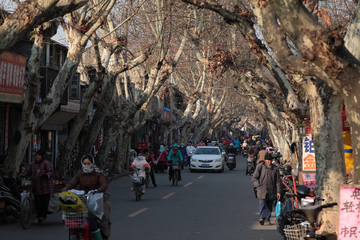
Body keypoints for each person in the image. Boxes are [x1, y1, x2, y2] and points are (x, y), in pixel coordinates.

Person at [62, 155, 111, 240]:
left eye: (89, 163)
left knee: (98, 220)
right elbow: (72, 182)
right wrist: (65, 189)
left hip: (97, 199)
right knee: (75, 217)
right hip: (83, 199)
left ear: (92, 163)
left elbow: (104, 184)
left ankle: (102, 237)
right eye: (85, 163)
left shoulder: (98, 173)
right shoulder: (80, 173)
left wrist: (99, 189)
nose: (86, 165)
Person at [22, 150, 54, 223]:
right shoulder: (32, 164)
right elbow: (27, 171)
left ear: (43, 156)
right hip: (36, 187)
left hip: (46, 187)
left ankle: (43, 216)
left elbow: (51, 172)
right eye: (37, 155)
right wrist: (22, 175)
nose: (38, 157)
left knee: (44, 202)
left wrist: (46, 175)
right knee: (38, 202)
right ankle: (38, 215)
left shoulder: (47, 163)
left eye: (39, 155)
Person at [252, 153, 281, 226]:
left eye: (270, 160)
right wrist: (257, 185)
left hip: (271, 190)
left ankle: (267, 219)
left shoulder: (275, 168)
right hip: (262, 189)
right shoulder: (260, 166)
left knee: (269, 205)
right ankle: (262, 218)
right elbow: (254, 177)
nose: (269, 161)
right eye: (268, 160)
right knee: (262, 203)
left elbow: (278, 181)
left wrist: (278, 191)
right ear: (265, 160)